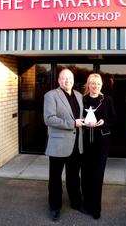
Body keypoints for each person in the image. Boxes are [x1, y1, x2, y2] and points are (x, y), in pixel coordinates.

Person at [43, 68, 84, 221]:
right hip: (58, 146)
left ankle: (76, 203)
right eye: (64, 78)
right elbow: (49, 119)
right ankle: (54, 207)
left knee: (74, 177)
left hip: (76, 145)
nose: (67, 81)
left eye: (70, 78)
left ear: (73, 80)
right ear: (59, 80)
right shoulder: (51, 95)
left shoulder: (79, 96)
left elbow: (84, 117)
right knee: (55, 179)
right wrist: (72, 123)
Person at [81, 73, 116, 219]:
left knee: (97, 175)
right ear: (88, 84)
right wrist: (82, 120)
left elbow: (114, 119)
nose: (95, 86)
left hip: (101, 143)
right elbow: (76, 117)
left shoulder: (106, 100)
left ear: (101, 85)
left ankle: (96, 209)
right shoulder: (82, 99)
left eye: (98, 83)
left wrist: (103, 122)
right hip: (84, 142)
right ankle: (86, 204)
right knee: (85, 174)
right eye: (92, 83)